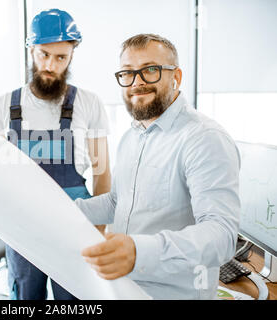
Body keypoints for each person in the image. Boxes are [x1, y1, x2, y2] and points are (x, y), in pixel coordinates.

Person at [77, 33, 241, 300]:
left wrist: (140, 252)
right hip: (124, 289)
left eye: (150, 70)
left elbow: (221, 234)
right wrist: (63, 211)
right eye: (127, 73)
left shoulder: (205, 138)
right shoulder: (132, 136)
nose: (137, 82)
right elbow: (119, 202)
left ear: (176, 77)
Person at [0, 9, 111, 300]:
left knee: (74, 301)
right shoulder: (4, 106)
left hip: (75, 230)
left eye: (61, 57)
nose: (50, 65)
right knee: (26, 300)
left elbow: (102, 173)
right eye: (43, 54)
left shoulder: (89, 104)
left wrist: (97, 232)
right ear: (30, 50)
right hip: (21, 230)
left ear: (72, 55)